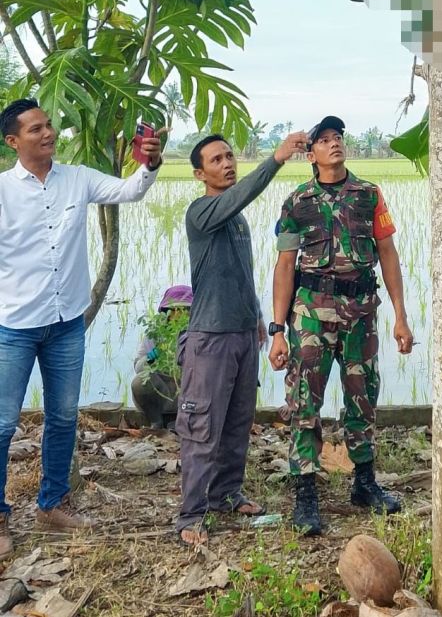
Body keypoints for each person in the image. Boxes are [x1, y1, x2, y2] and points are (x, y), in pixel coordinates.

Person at [0, 98, 163, 558]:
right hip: (13, 326)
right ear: (14, 141)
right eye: (35, 129)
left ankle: (51, 505)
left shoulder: (78, 178)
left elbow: (130, 191)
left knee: (63, 417)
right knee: (3, 424)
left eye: (48, 125)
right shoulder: (2, 191)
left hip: (67, 323)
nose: (47, 133)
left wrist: (148, 164)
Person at [268, 115, 414, 537]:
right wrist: (278, 330)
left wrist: (400, 315)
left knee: (363, 397)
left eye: (338, 138)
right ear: (310, 153)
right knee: (304, 403)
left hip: (361, 315)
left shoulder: (369, 195)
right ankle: (306, 496)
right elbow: (284, 267)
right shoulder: (297, 202)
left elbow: (387, 252)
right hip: (311, 316)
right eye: (325, 140)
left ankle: (365, 484)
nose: (335, 144)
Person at [175, 128, 306, 547]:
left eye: (229, 156)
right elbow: (240, 196)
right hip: (209, 339)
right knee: (202, 428)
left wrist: (259, 320)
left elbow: (241, 274)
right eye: (216, 160)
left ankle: (227, 494)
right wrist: (277, 158)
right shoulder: (202, 212)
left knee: (237, 420)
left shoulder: (237, 221)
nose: (227, 164)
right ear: (200, 174)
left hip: (242, 335)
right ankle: (191, 515)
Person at [131, 285, 193, 430]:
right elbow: (139, 368)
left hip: (191, 393)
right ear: (166, 313)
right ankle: (156, 422)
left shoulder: (199, 333)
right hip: (162, 393)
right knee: (140, 383)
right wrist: (153, 356)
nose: (179, 315)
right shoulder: (155, 333)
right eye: (174, 310)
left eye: (184, 311)